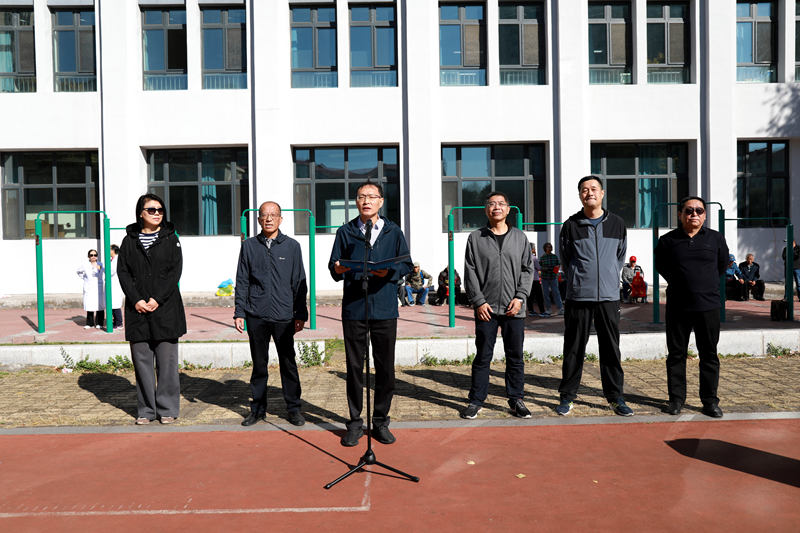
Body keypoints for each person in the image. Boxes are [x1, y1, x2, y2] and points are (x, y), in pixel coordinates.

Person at [329, 180, 413, 447]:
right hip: (355, 308)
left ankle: (380, 422)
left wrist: (389, 272)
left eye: (371, 196)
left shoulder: (393, 231)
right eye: (361, 197)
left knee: (385, 367)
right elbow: (334, 267)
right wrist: (338, 269)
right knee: (354, 368)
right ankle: (355, 423)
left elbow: (406, 264)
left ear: (381, 201)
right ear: (356, 202)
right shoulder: (345, 231)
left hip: (385, 307)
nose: (366, 201)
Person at [557, 176, 632, 417]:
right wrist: (579, 280)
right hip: (578, 296)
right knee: (573, 348)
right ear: (580, 195)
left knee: (610, 348)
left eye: (593, 189)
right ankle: (567, 396)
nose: (589, 193)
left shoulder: (617, 223)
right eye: (584, 190)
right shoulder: (571, 225)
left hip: (608, 297)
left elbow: (619, 257)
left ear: (602, 193)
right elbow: (566, 259)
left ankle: (615, 397)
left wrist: (608, 278)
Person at [234, 201, 309, 428]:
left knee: (288, 362)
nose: (268, 219)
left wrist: (300, 313)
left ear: (280, 219)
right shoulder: (249, 246)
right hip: (256, 314)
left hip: (284, 315)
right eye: (264, 215)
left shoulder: (292, 246)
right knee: (259, 364)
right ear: (258, 219)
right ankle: (257, 409)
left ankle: (293, 408)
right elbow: (242, 280)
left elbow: (299, 281)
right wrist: (239, 311)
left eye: (273, 215)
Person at [461, 191, 533, 420]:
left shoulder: (520, 237)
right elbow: (470, 271)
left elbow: (528, 270)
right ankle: (476, 400)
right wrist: (478, 301)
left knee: (515, 356)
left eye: (501, 203)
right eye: (492, 204)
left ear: (508, 209)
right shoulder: (475, 238)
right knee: (483, 356)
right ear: (486, 210)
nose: (496, 207)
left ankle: (516, 399)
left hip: (514, 308)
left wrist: (520, 297)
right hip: (487, 309)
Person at [655, 197, 728, 418]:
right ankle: (676, 400)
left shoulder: (716, 238)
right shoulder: (667, 240)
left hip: (708, 306)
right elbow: (662, 266)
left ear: (705, 215)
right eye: (689, 210)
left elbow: (722, 266)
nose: (694, 214)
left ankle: (710, 401)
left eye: (699, 210)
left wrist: (705, 285)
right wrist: (682, 283)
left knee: (709, 354)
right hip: (678, 307)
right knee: (676, 354)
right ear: (680, 215)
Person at [117, 193, 186, 425]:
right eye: (151, 210)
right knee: (142, 363)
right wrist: (136, 299)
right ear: (141, 213)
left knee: (167, 364)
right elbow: (123, 273)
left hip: (165, 309)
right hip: (137, 310)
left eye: (160, 210)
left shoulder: (171, 239)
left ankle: (167, 409)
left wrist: (157, 298)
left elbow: (175, 272)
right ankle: (146, 410)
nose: (157, 213)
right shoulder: (129, 241)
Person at [76, 249, 105, 329]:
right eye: (91, 255)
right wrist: (85, 278)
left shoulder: (100, 264)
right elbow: (78, 271)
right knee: (90, 305)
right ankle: (90, 323)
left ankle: (99, 323)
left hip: (98, 287)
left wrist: (101, 268)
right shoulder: (85, 264)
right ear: (88, 256)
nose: (93, 257)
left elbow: (105, 272)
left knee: (99, 305)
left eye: (95, 255)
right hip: (89, 287)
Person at [539, 242, 563, 317]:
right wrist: (544, 269)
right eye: (548, 247)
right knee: (545, 293)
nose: (549, 248)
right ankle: (548, 308)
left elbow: (558, 265)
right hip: (545, 277)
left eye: (550, 247)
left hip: (553, 277)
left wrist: (554, 270)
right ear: (545, 248)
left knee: (556, 292)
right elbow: (540, 267)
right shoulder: (542, 257)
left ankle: (560, 308)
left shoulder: (555, 257)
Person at [109, 244, 124, 330]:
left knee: (115, 305)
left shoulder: (117, 260)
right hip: (113, 285)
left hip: (116, 286)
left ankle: (119, 323)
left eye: (109, 250)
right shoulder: (113, 260)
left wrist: (102, 268)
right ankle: (115, 322)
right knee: (112, 304)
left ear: (113, 250)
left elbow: (111, 271)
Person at [528, 244, 545, 316]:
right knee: (539, 296)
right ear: (532, 249)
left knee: (530, 296)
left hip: (528, 279)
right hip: (535, 279)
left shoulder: (524, 257)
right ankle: (542, 311)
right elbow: (539, 267)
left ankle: (531, 310)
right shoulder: (534, 258)